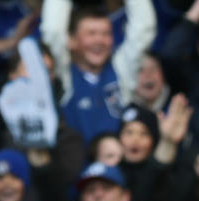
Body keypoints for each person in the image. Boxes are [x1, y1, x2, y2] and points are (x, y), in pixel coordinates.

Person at [41, 0, 155, 142]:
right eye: (91, 33)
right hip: (73, 161)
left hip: (118, 162)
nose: (99, 40)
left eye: (106, 34)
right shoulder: (63, 74)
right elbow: (53, 32)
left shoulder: (121, 70)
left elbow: (143, 29)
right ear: (71, 40)